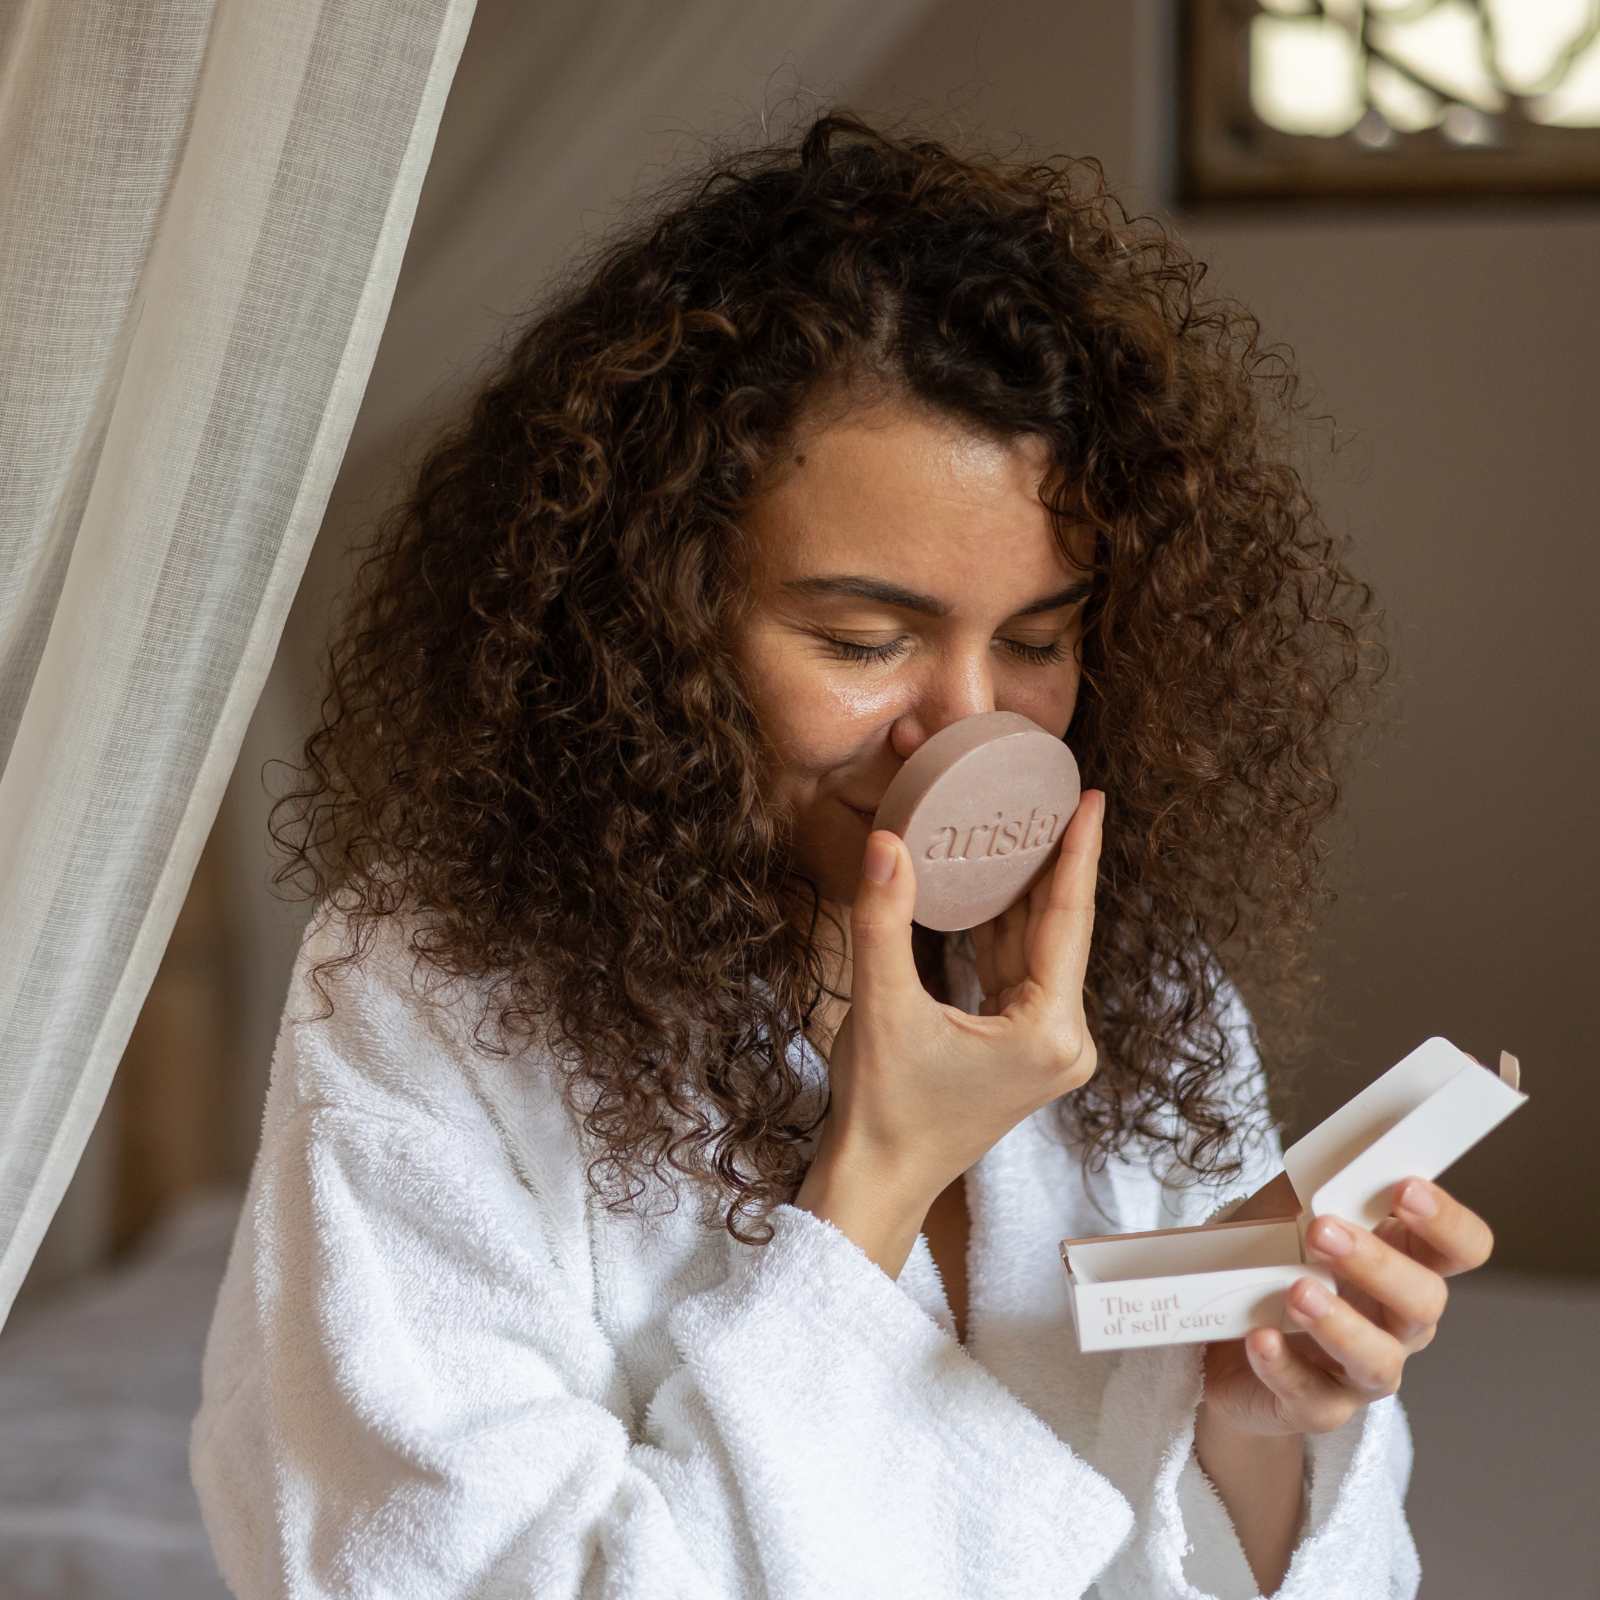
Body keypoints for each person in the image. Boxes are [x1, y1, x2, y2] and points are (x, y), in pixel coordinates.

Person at [190, 108, 1494, 1599]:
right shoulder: (431, 999)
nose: (966, 725)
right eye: (864, 640)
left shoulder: (1136, 993)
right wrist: (879, 1176)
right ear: (652, 623)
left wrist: (1251, 1430)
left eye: (1040, 641)